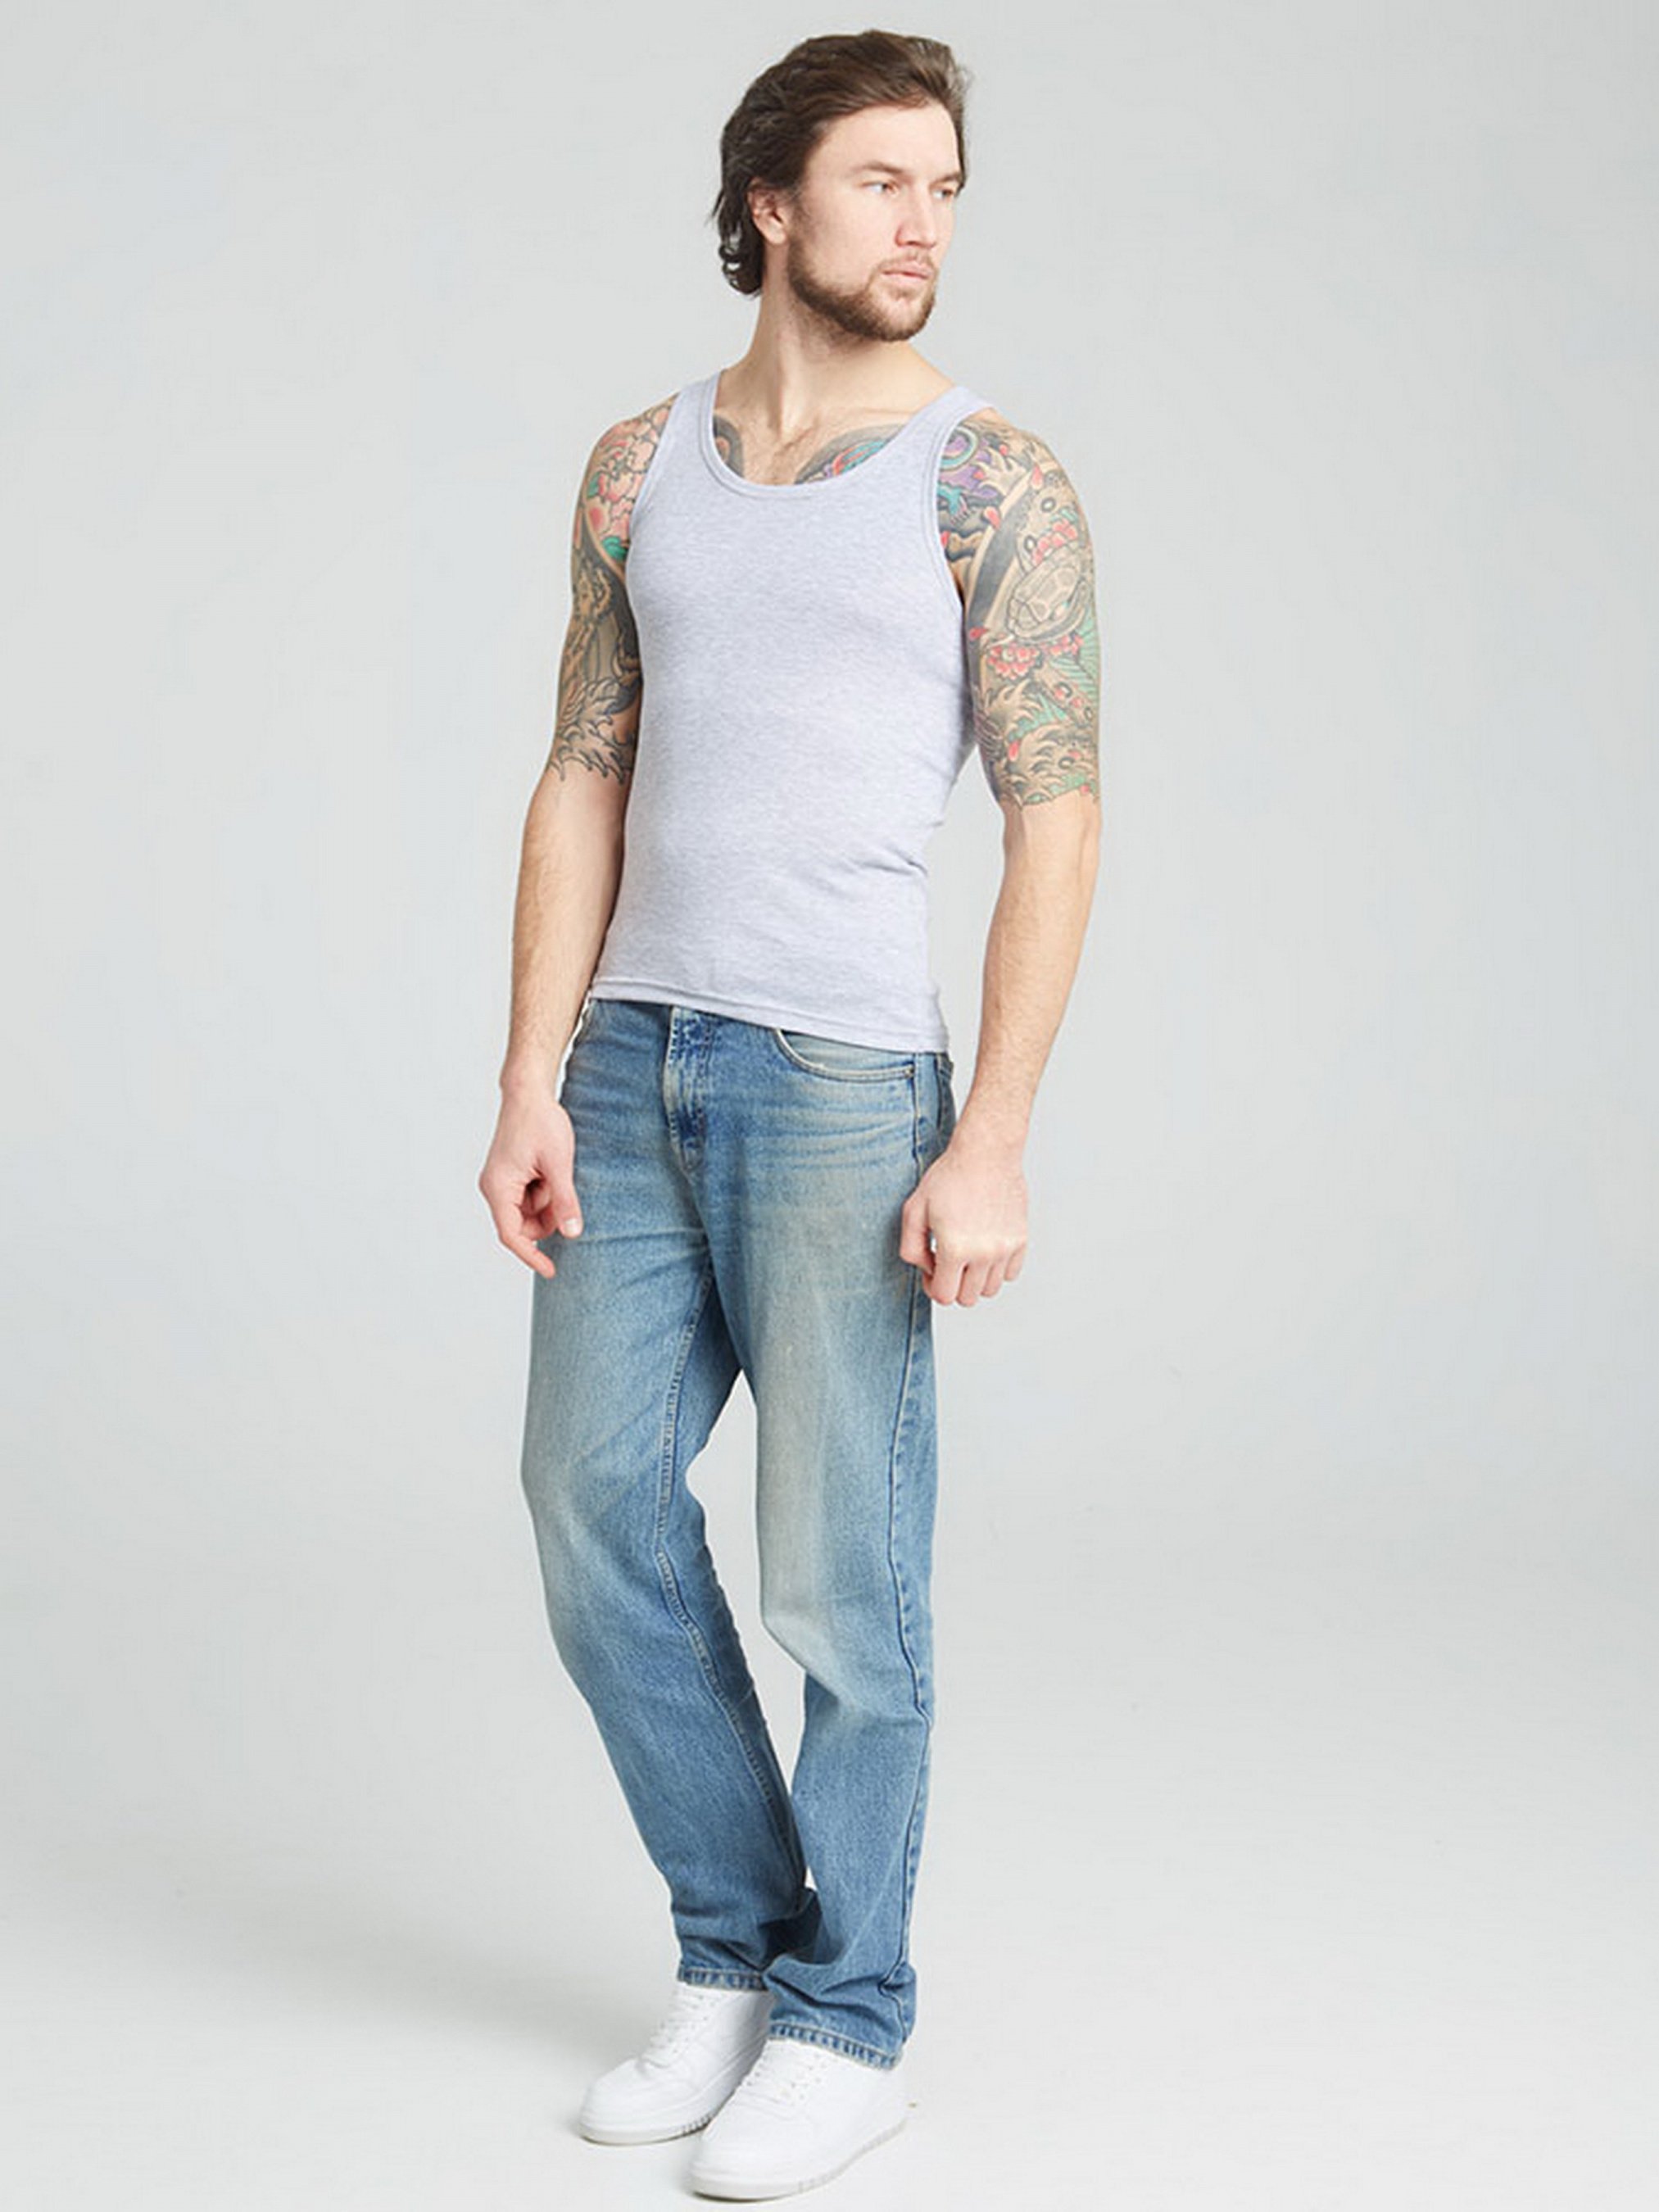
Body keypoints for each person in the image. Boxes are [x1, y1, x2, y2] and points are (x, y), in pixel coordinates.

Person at [478, 28, 1100, 2201]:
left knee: (843, 1583)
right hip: (628, 1060)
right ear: (769, 202)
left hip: (842, 1086)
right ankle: (737, 1952)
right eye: (880, 182)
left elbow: (1056, 818)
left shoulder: (988, 479)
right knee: (588, 1512)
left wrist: (991, 1132)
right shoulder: (636, 464)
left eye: (945, 188)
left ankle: (850, 2022)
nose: (923, 226)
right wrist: (528, 1073)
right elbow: (583, 773)